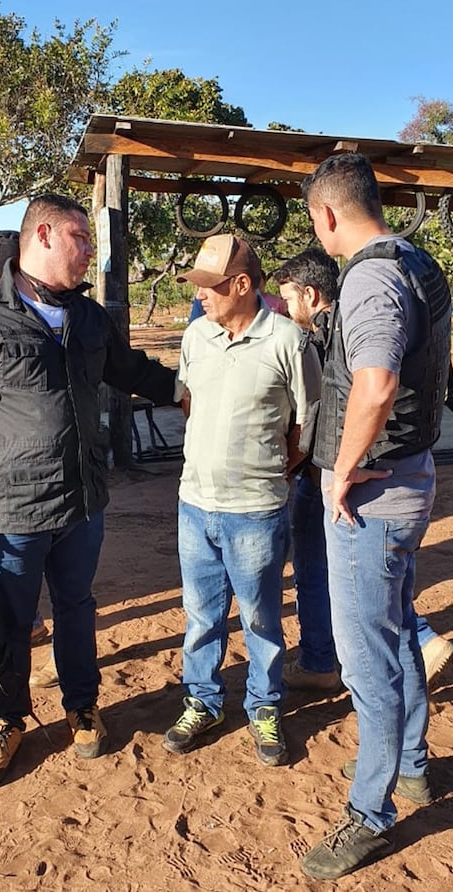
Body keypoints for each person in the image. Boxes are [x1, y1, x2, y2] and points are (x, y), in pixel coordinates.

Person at [0, 193, 176, 789]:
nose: (90, 251)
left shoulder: (89, 318)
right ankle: (9, 718)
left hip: (84, 501)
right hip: (13, 506)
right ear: (41, 236)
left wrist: (187, 389)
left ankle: (81, 704)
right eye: (80, 239)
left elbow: (131, 370)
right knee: (12, 618)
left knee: (76, 607)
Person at [298, 153, 451, 880]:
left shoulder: (368, 275)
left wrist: (345, 469)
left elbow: (377, 379)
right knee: (393, 635)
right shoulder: (416, 260)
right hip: (412, 478)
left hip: (373, 497)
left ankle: (371, 814)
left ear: (328, 214)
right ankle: (415, 764)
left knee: (368, 663)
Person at [164, 233, 320, 767]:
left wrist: (268, 469)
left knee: (258, 617)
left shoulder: (288, 342)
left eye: (210, 287)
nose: (201, 295)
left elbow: (306, 424)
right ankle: (204, 702)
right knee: (202, 615)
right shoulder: (194, 338)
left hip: (256, 509)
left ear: (242, 284)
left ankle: (264, 706)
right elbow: (190, 406)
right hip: (195, 505)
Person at [273, 248, 342, 692]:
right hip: (357, 473)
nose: (283, 309)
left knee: (315, 570)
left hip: (323, 477)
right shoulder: (357, 326)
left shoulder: (317, 338)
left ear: (310, 294)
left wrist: (285, 465)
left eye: (287, 300)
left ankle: (319, 659)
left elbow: (311, 420)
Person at [0, 230, 52, 649]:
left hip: (5, 482)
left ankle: (24, 632)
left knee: (8, 574)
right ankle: (33, 625)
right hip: (1, 474)